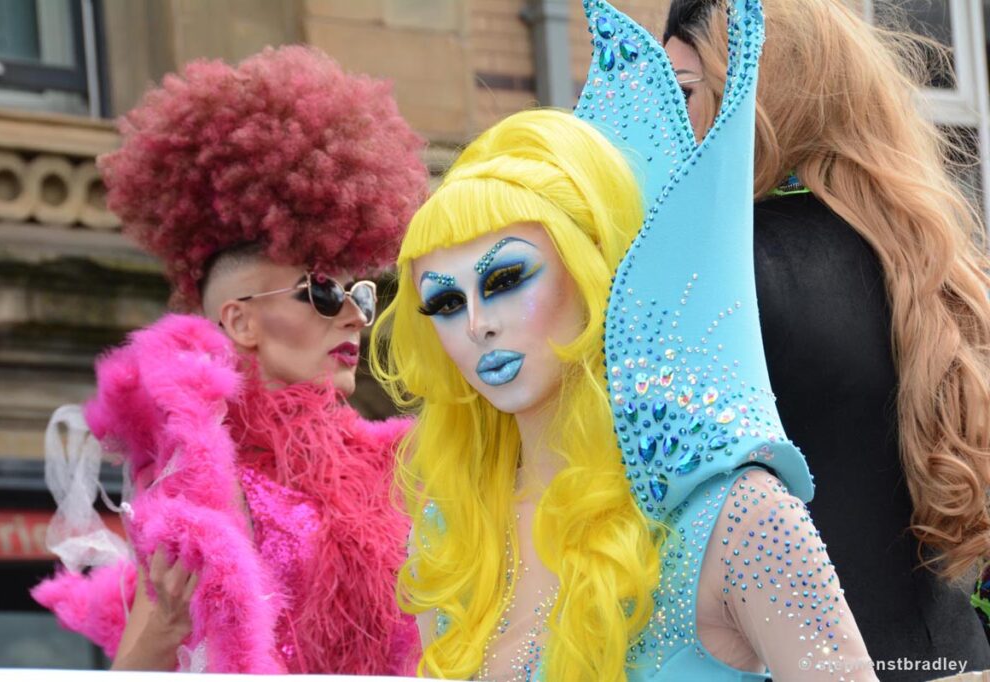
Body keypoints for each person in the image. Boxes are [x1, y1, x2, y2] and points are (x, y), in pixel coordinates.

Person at [372, 1, 872, 679]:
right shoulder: (452, 538)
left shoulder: (736, 517)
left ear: (593, 270)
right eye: (446, 301)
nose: (477, 323)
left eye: (507, 278)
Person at [31, 45, 428, 674]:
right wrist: (166, 624)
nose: (354, 314)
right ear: (240, 320)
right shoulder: (197, 474)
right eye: (323, 292)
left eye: (358, 293)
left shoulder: (405, 468)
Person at [664, 0, 990, 676]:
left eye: (685, 91)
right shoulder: (938, 266)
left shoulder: (716, 267)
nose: (670, 120)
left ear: (756, 91)